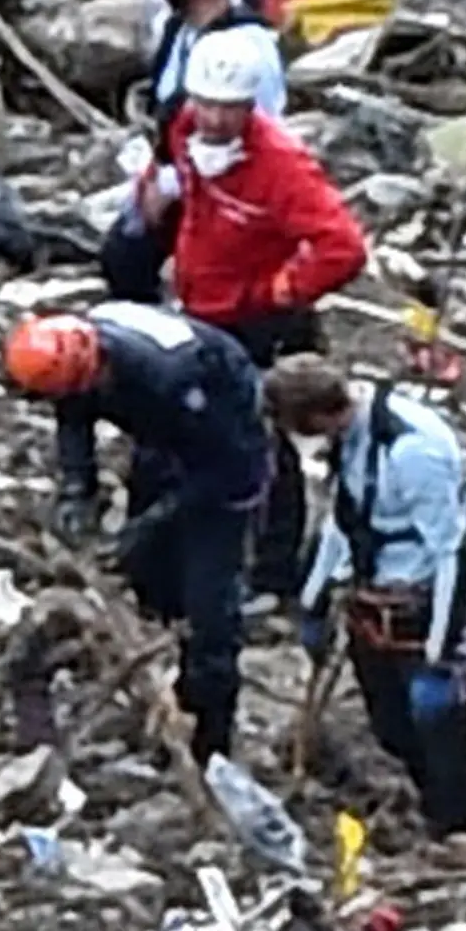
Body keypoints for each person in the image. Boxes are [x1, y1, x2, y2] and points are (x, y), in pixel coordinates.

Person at [151, 30, 369, 601]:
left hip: (256, 320)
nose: (214, 119)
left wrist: (281, 289)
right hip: (200, 310)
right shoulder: (183, 130)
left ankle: (274, 573)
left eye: (229, 108)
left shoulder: (281, 168)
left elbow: (343, 247)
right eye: (206, 104)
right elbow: (184, 187)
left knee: (265, 440)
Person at [272, 357, 466, 849]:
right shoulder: (350, 441)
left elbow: (451, 554)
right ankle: (440, 829)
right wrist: (314, 601)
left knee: (443, 739)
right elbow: (343, 522)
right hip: (370, 604)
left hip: (421, 607)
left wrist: (441, 650)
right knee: (392, 729)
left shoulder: (412, 451)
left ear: (317, 415)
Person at [8, 304, 270, 765]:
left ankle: (208, 740)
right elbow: (73, 418)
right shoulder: (76, 359)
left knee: (209, 607)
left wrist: (149, 524)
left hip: (225, 448)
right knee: (149, 575)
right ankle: (158, 662)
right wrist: (76, 489)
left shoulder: (171, 377)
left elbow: (224, 469)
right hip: (164, 435)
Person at [100, 0, 287, 302]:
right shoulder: (180, 32)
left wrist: (172, 187)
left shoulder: (247, 51)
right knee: (123, 256)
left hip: (227, 198)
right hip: (181, 181)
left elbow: (252, 148)